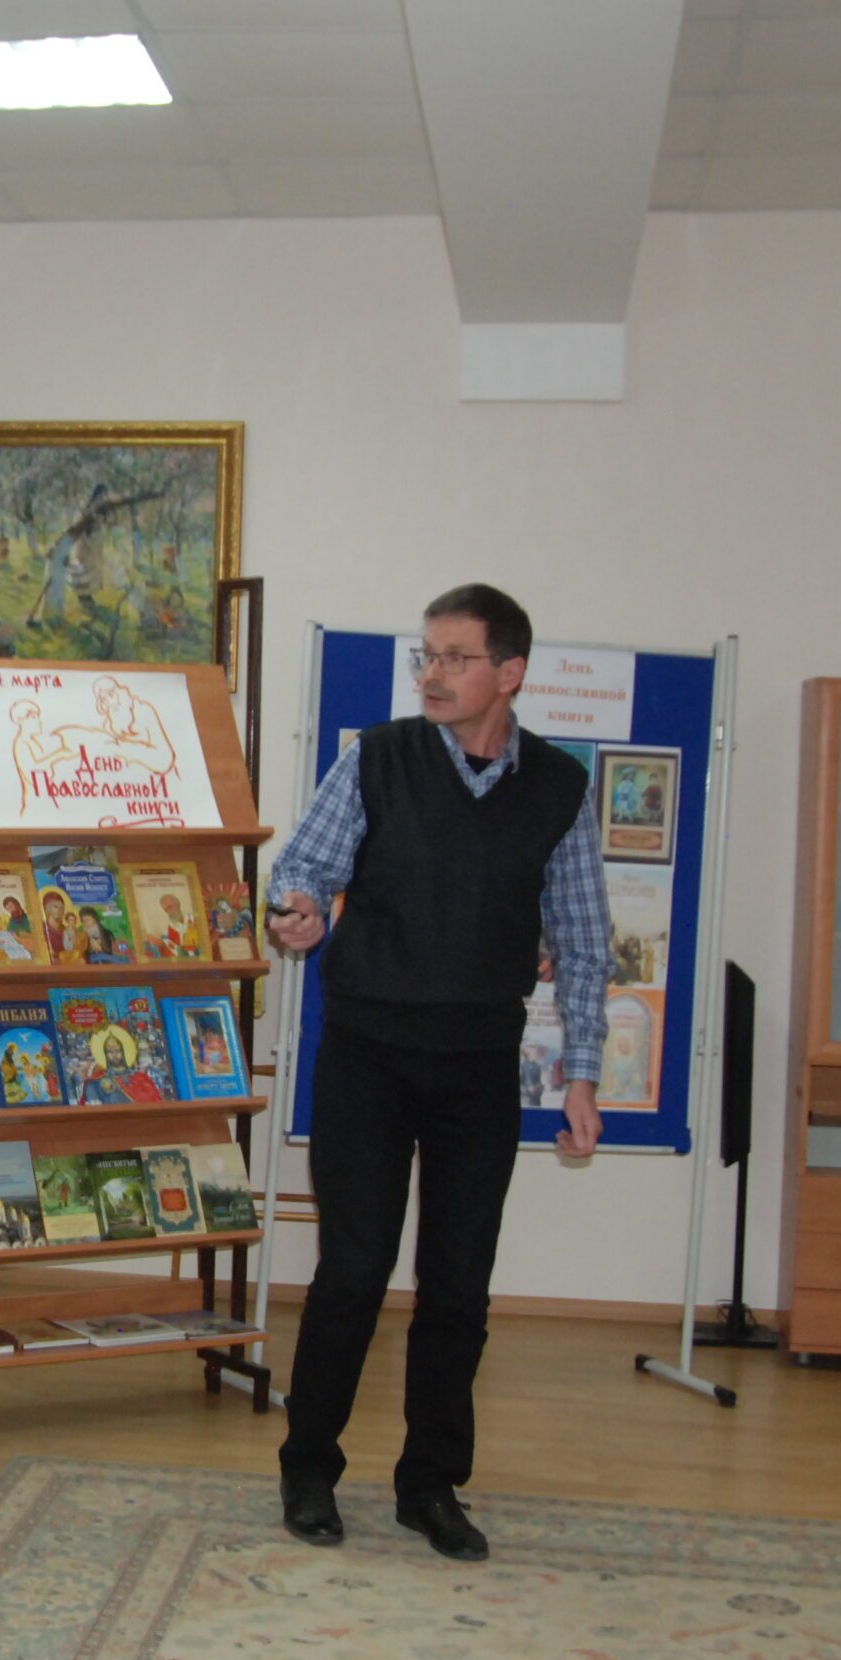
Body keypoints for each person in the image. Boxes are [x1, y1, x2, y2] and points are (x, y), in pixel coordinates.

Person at [263, 583, 608, 1565]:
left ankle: (430, 1486)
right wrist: (297, 908)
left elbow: (584, 940)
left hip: (479, 1066)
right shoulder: (375, 758)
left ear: (510, 673)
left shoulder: (559, 788)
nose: (432, 674)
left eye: (455, 658)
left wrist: (582, 1074)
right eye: (427, 656)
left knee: (458, 1286)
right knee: (353, 1271)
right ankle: (308, 1468)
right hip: (367, 1054)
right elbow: (304, 868)